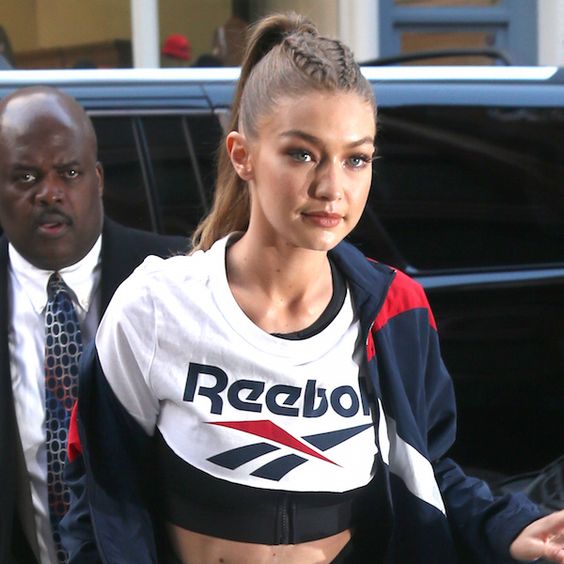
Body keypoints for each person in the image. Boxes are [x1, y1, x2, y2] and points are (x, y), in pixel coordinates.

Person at [62, 12, 564, 564]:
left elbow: (429, 472)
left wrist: (508, 528)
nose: (331, 187)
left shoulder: (394, 311)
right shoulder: (156, 308)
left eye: (356, 159)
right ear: (242, 155)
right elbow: (98, 501)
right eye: (302, 154)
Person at [0, 85, 188, 564]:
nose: (49, 193)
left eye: (69, 172)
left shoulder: (178, 280)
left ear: (98, 179)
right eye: (25, 176)